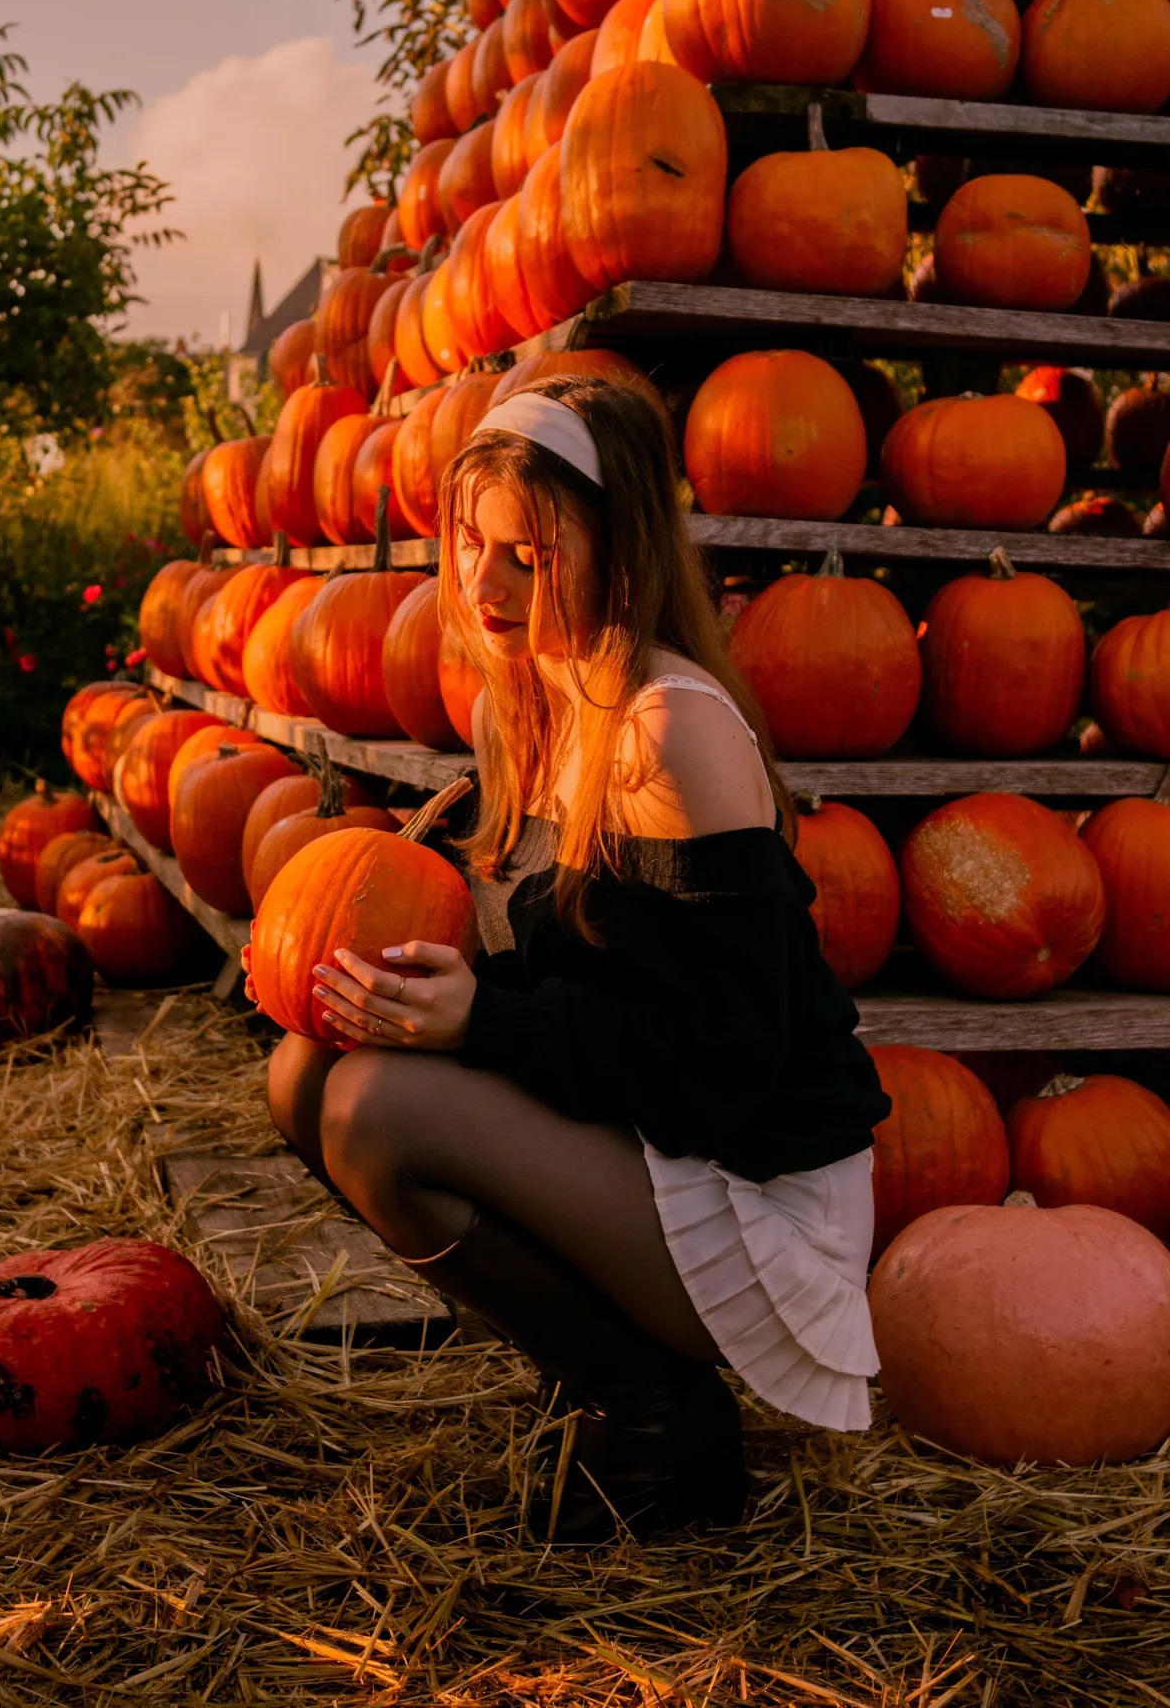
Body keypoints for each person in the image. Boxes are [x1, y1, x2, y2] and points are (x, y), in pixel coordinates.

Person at [257, 376, 890, 1544]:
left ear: (620, 548)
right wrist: (439, 992)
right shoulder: (537, 706)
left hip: (758, 1195)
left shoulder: (669, 731)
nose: (485, 589)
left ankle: (656, 1415)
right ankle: (591, 1368)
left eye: (528, 558)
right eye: (470, 546)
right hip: (658, 1145)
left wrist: (480, 1028)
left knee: (377, 1111)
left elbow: (721, 1064)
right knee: (305, 1072)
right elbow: (600, 990)